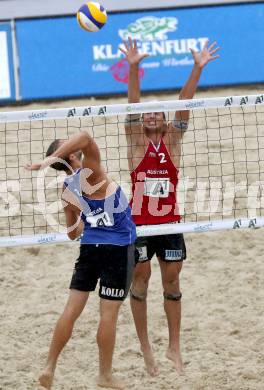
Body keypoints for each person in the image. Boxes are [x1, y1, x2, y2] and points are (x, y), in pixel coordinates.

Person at [120, 37, 220, 376]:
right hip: (140, 224)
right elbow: (133, 104)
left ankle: (173, 347)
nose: (150, 114)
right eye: (146, 112)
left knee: (172, 282)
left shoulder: (173, 141)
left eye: (156, 113)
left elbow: (184, 104)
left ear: (164, 122)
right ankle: (146, 348)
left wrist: (197, 67)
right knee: (141, 280)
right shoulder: (135, 144)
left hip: (169, 223)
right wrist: (133, 68)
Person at [26, 131, 137, 390]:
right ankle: (104, 375)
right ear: (73, 154)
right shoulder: (92, 172)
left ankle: (49, 366)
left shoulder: (68, 189)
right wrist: (48, 159)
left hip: (89, 249)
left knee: (71, 311)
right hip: (118, 248)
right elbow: (86, 136)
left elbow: (73, 233)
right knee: (108, 315)